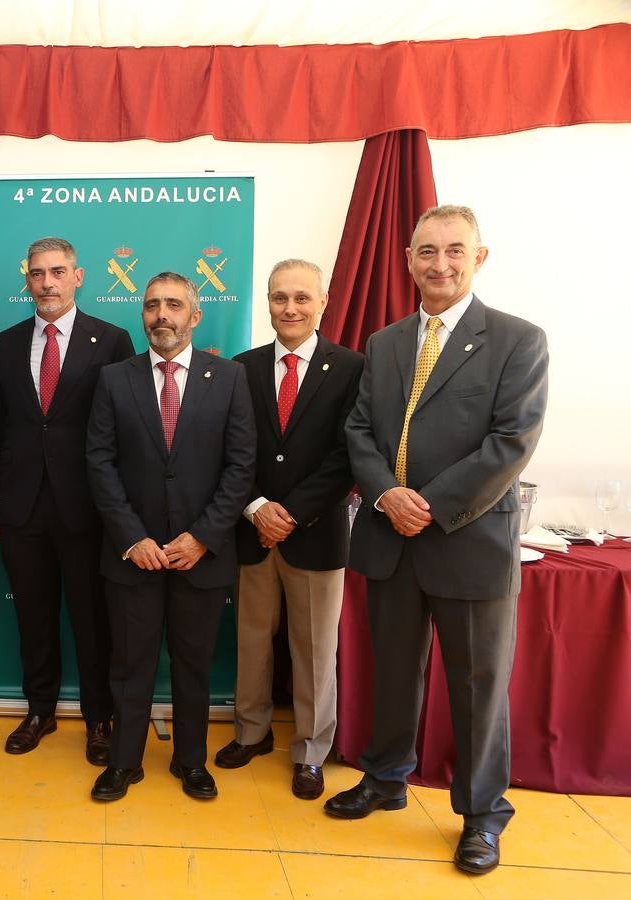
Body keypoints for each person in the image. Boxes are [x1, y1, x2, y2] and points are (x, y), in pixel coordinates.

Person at [325, 205, 548, 876]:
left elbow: (511, 442)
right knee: (392, 671)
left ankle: (482, 817)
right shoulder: (387, 342)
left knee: (478, 687)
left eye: (455, 250)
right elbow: (360, 430)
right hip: (391, 538)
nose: (440, 263)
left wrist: (430, 503)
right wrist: (385, 494)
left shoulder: (517, 339)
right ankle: (386, 777)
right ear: (407, 258)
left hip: (469, 542)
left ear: (479, 257)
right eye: (427, 251)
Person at [85, 272, 255, 802]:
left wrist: (203, 536)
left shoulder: (228, 378)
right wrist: (132, 537)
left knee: (194, 666)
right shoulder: (115, 378)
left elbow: (241, 465)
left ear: (195, 315)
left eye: (174, 305)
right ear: (143, 315)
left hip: (200, 556)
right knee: (130, 665)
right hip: (133, 555)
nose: (163, 315)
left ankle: (191, 761)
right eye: (153, 305)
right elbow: (100, 463)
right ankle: (124, 763)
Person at [217, 259, 364, 800]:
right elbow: (233, 450)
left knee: (314, 649)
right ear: (268, 303)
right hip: (252, 532)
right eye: (280, 298)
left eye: (302, 298)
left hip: (316, 534)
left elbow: (347, 456)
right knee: (251, 643)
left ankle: (310, 750)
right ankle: (251, 733)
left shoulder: (351, 368)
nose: (291, 308)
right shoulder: (242, 368)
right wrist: (257, 507)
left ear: (323, 302)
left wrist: (291, 513)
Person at [0, 236, 133, 763]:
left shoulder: (112, 340)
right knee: (33, 616)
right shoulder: (2, 343)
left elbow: (122, 429)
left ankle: (100, 717)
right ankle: (39, 709)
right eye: (36, 273)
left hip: (88, 508)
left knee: (93, 619)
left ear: (78, 276)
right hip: (21, 505)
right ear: (26, 280)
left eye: (57, 272)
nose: (46, 282)